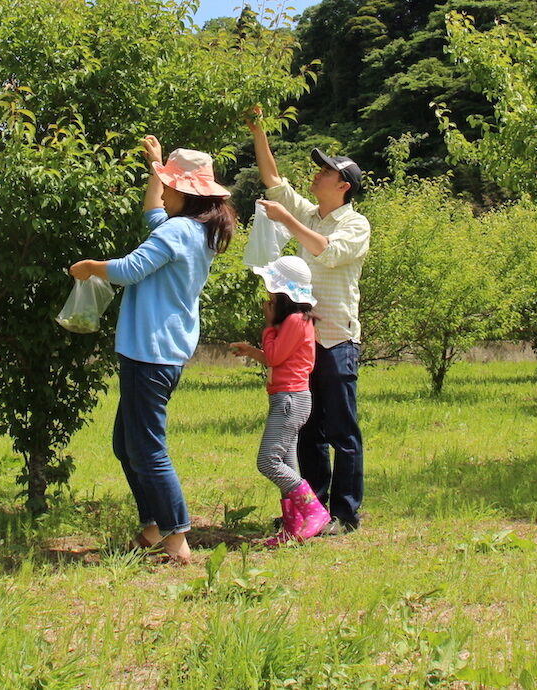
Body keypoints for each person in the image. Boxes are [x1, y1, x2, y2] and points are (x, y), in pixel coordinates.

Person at [70, 136, 236, 565]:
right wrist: (156, 166)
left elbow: (129, 269)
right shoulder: (194, 230)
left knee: (147, 447)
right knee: (128, 445)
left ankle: (177, 537)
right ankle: (151, 529)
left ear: (185, 191)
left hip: (152, 352)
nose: (165, 190)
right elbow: (152, 214)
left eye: (169, 184)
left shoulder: (180, 231)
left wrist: (90, 267)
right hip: (156, 349)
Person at [247, 108, 370, 534]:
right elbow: (274, 180)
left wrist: (288, 221)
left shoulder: (354, 223)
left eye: (325, 172)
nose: (316, 175)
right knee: (307, 430)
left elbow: (325, 251)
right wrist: (258, 131)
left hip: (336, 340)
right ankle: (311, 508)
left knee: (342, 431)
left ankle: (346, 515)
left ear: (344, 185)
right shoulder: (312, 215)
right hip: (305, 343)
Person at [229, 255, 331, 546]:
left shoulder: (294, 322)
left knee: (268, 461)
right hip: (288, 399)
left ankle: (314, 510)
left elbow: (274, 356)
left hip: (290, 401)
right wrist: (251, 351)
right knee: (287, 461)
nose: (268, 300)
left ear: (284, 296)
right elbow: (279, 360)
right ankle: (293, 527)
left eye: (272, 295)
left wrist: (268, 327)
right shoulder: (297, 322)